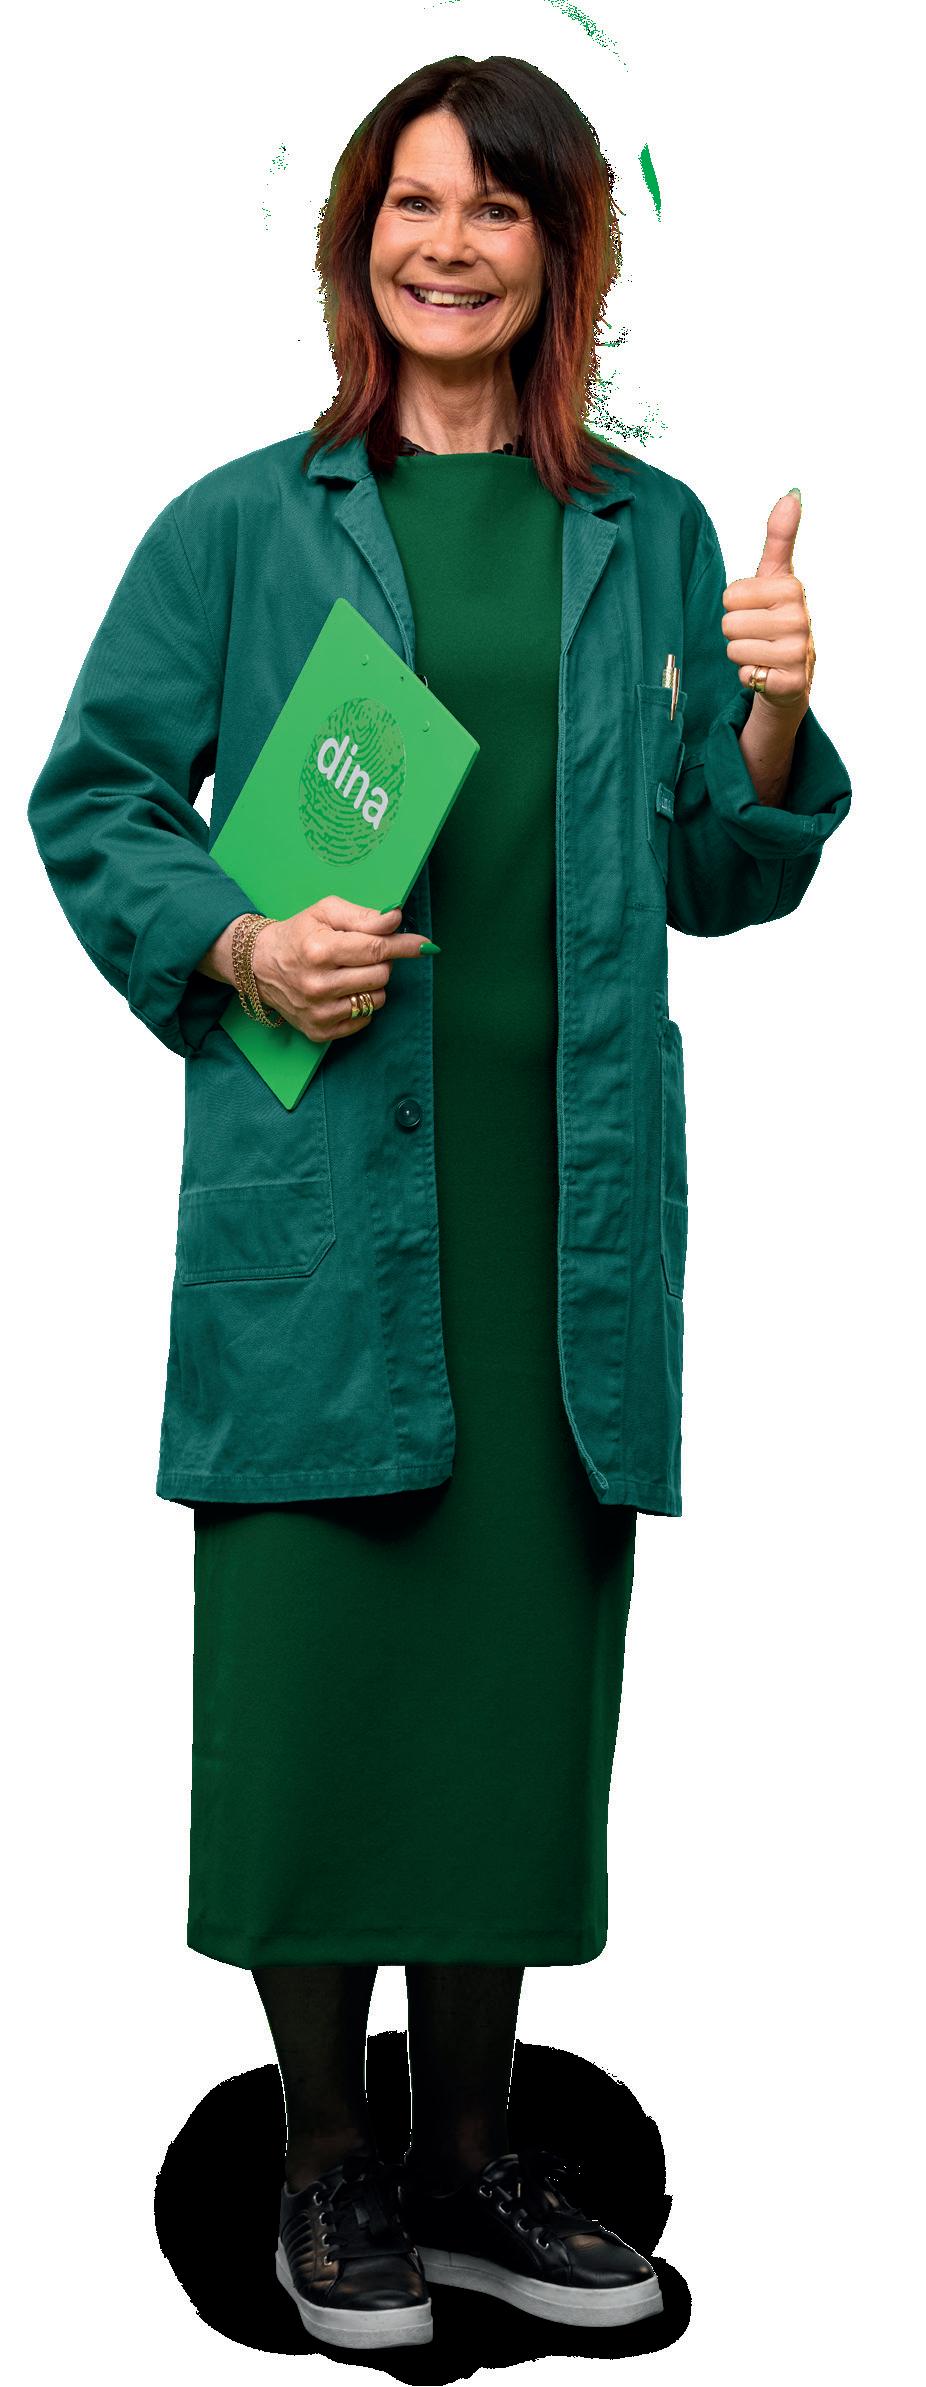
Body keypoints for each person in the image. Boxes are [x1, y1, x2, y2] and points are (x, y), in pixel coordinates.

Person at [25, 52, 851, 2356]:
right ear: (357, 243)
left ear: (564, 251)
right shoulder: (244, 525)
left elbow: (713, 871)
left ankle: (475, 2164)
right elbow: (97, 795)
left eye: (498, 208)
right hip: (322, 1211)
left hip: (552, 1224)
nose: (449, 245)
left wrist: (767, 721)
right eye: (411, 204)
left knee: (502, 1708)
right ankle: (325, 2168)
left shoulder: (646, 535)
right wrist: (237, 940)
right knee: (316, 1699)